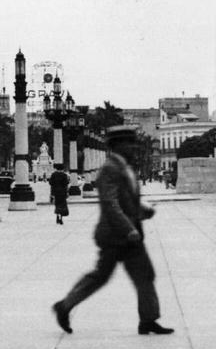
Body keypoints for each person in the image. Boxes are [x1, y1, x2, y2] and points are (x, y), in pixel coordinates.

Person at [53, 126, 173, 336]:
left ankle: (148, 320)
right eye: (129, 143)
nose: (133, 147)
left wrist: (144, 211)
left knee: (145, 275)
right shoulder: (110, 168)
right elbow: (110, 202)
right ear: (118, 145)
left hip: (130, 235)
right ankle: (64, 306)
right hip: (115, 236)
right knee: (100, 276)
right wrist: (128, 229)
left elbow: (127, 199)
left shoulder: (125, 166)